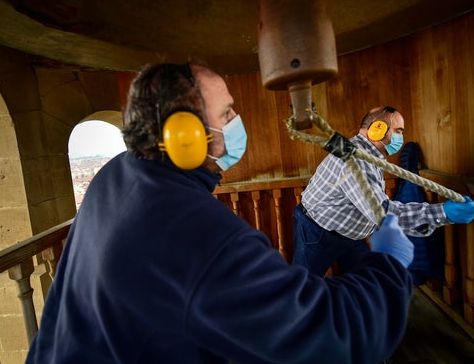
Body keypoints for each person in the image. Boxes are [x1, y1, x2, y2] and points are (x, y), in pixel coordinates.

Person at [26, 64, 415, 364]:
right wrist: (390, 264)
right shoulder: (197, 232)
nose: (235, 122)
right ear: (185, 134)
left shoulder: (115, 176)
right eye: (227, 113)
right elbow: (333, 336)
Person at [292, 106, 474, 277]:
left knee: (364, 284)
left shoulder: (367, 154)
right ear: (377, 129)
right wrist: (442, 213)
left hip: (349, 233)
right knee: (302, 288)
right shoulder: (357, 160)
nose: (401, 137)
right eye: (398, 131)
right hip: (317, 230)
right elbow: (381, 213)